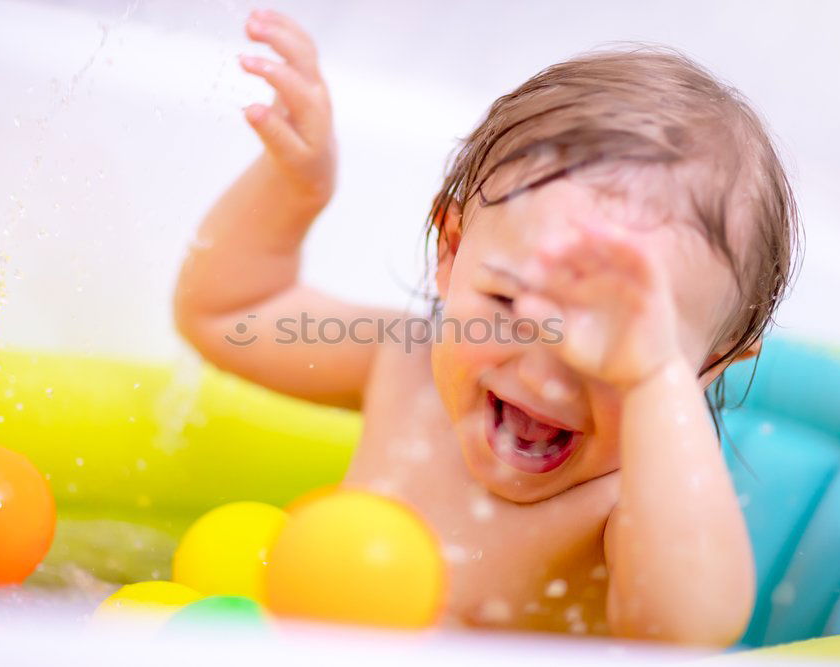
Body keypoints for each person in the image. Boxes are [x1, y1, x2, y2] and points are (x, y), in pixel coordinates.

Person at [174, 8, 800, 646]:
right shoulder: (406, 361)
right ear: (450, 252)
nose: (544, 373)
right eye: (509, 303)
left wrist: (655, 383)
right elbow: (229, 314)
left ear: (706, 368)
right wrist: (293, 190)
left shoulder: (622, 506)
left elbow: (689, 630)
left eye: (616, 349)